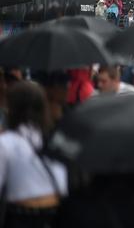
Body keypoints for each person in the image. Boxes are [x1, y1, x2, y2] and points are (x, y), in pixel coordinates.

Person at [0, 82, 67, 228]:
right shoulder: (57, 139)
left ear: (13, 109)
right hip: (56, 214)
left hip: (21, 216)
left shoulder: (6, 142)